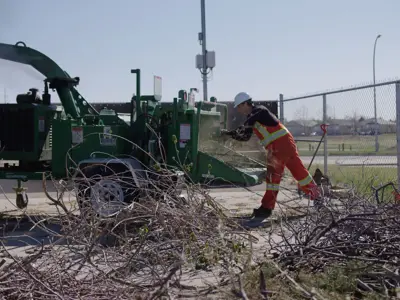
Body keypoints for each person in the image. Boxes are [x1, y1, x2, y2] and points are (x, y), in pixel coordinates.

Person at [221, 92, 321, 219]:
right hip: (287, 144)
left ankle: (266, 208)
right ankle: (318, 196)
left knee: (273, 178)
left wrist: (228, 133)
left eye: (239, 107)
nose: (238, 110)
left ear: (246, 103)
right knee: (300, 173)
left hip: (278, 147)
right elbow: (244, 136)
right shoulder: (255, 116)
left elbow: (247, 126)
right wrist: (228, 135)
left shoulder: (259, 111)